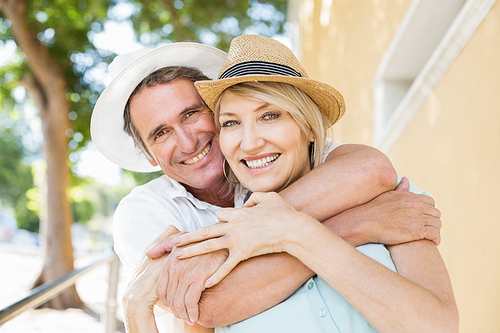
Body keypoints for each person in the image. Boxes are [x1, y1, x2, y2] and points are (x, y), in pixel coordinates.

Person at [91, 41, 443, 332]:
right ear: (150, 155)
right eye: (161, 133)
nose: (186, 142)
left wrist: (228, 248)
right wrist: (356, 225)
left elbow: (371, 169)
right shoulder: (145, 213)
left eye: (191, 114)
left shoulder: (312, 164)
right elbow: (206, 308)